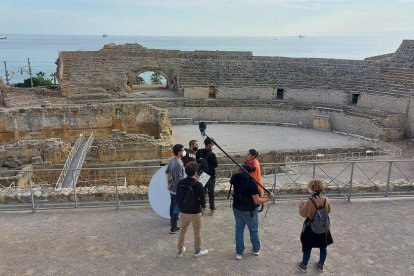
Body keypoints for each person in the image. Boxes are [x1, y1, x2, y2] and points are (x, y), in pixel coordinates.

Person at [230, 163, 274, 260]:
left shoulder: (235, 177)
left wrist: (239, 172)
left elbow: (233, 179)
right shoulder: (251, 182)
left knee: (239, 230)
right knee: (253, 230)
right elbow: (257, 200)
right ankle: (256, 249)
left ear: (241, 170)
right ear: (250, 172)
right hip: (249, 210)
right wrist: (268, 199)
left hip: (237, 208)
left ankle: (239, 252)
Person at [298, 179, 333, 273]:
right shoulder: (326, 199)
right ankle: (321, 265)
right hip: (323, 226)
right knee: (323, 246)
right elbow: (328, 211)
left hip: (311, 227)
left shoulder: (310, 201)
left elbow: (303, 214)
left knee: (307, 246)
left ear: (312, 188)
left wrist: (301, 205)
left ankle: (304, 265)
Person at [176, 161, 208, 258]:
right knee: (197, 232)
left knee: (182, 231)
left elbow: (178, 196)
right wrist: (203, 209)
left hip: (183, 211)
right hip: (195, 212)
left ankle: (180, 251)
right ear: (195, 172)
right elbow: (203, 201)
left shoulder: (180, 182)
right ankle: (197, 251)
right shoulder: (198, 184)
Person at [165, 144, 186, 234]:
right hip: (177, 190)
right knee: (176, 208)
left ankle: (172, 222)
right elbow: (178, 180)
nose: (184, 151)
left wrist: (168, 183)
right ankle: (173, 227)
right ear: (178, 152)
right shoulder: (177, 164)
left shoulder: (173, 160)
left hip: (172, 189)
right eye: (182, 150)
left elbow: (167, 171)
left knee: (173, 205)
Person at [196, 137, 218, 215]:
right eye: (212, 143)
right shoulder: (212, 154)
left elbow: (197, 161)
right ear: (209, 144)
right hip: (210, 176)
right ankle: (212, 208)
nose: (213, 145)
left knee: (202, 192)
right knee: (211, 193)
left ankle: (202, 207)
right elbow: (215, 165)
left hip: (202, 175)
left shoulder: (199, 152)